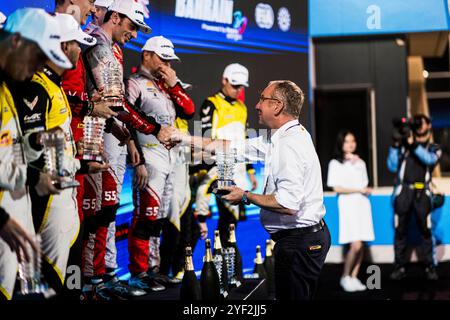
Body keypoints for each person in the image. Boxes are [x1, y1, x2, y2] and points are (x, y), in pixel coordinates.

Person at [173, 80, 331, 300]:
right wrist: (182, 138)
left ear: (276, 106)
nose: (256, 105)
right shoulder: (282, 138)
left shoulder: (288, 144)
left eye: (262, 99)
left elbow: (288, 204)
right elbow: (228, 147)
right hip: (299, 241)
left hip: (299, 244)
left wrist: (245, 196)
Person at [82, 0, 176, 299]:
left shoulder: (115, 48)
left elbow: (115, 103)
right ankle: (93, 280)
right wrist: (151, 129)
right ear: (116, 16)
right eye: (132, 26)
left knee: (108, 211)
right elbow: (114, 103)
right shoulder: (96, 42)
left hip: (113, 136)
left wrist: (132, 139)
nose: (135, 34)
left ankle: (106, 274)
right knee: (100, 211)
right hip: (94, 136)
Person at [0, 8, 69, 300]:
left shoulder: (8, 88)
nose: (41, 66)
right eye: (39, 55)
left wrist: (35, 175)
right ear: (16, 40)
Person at [125, 36, 195, 290]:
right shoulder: (134, 83)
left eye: (169, 60)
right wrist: (139, 159)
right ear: (146, 56)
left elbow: (189, 111)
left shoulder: (165, 86)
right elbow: (125, 117)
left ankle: (152, 269)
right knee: (145, 215)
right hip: (148, 156)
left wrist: (174, 84)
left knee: (159, 218)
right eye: (162, 58)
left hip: (169, 159)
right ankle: (138, 273)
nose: (166, 64)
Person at [195, 63, 257, 246]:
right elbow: (205, 139)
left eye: (241, 87)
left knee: (232, 222)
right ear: (224, 80)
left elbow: (244, 142)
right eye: (234, 85)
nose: (238, 90)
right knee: (227, 218)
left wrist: (250, 172)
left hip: (238, 171)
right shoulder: (211, 104)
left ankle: (222, 263)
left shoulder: (242, 107)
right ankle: (216, 262)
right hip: (218, 169)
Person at [387, 114, 441, 281]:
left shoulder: (434, 147)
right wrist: (396, 145)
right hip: (404, 191)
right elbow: (392, 165)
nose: (418, 125)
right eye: (416, 122)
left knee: (426, 231)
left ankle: (430, 267)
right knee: (400, 231)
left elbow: (430, 160)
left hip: (422, 193)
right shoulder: (403, 146)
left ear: (429, 126)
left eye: (421, 122)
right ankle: (399, 267)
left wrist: (413, 144)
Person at [326, 130, 375, 292]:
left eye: (352, 141)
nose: (350, 144)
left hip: (362, 204)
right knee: (355, 244)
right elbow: (336, 187)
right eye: (347, 141)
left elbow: (365, 184)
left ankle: (353, 277)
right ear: (341, 144)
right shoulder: (335, 163)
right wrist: (359, 189)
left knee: (361, 244)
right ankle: (345, 276)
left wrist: (365, 190)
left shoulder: (360, 163)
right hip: (348, 205)